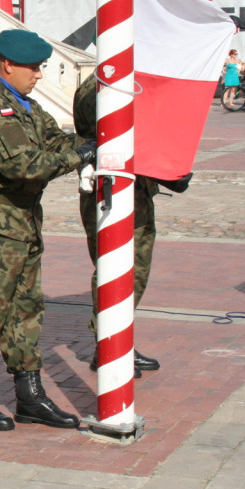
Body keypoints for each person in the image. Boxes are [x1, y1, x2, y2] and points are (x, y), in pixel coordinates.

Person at [0, 29, 95, 432]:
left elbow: (54, 139)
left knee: (25, 311)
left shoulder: (26, 107)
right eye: (33, 68)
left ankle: (29, 394)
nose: (38, 75)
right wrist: (79, 155)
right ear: (8, 65)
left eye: (41, 67)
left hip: (23, 224)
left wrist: (90, 141)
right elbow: (25, 165)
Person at [74, 73, 185, 377]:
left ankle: (120, 341)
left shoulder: (128, 82)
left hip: (136, 190)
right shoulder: (103, 87)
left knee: (136, 271)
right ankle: (108, 346)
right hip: (111, 190)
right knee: (115, 268)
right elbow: (115, 139)